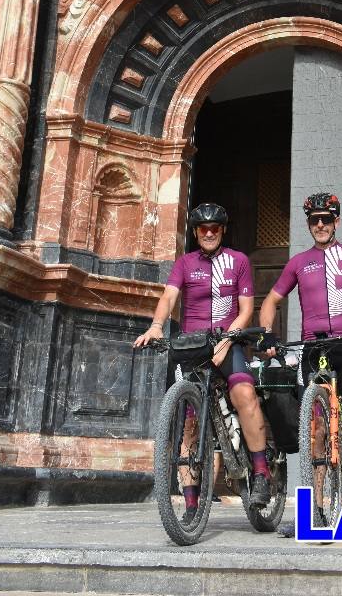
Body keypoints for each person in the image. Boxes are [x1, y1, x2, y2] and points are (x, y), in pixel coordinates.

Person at [258, 192, 342, 538]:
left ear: (337, 221)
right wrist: (268, 336)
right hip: (313, 349)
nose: (320, 225)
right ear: (308, 224)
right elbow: (271, 300)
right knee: (316, 433)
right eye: (314, 220)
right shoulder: (299, 263)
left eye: (326, 219)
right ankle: (316, 510)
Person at [134, 202, 271, 517]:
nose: (209, 233)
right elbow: (169, 296)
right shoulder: (184, 263)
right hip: (192, 346)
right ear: (196, 233)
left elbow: (247, 309)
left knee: (244, 394)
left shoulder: (238, 261)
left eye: (215, 228)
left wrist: (226, 339)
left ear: (222, 230)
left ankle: (261, 472)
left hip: (227, 340)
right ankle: (192, 504)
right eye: (203, 229)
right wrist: (156, 326)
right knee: (189, 425)